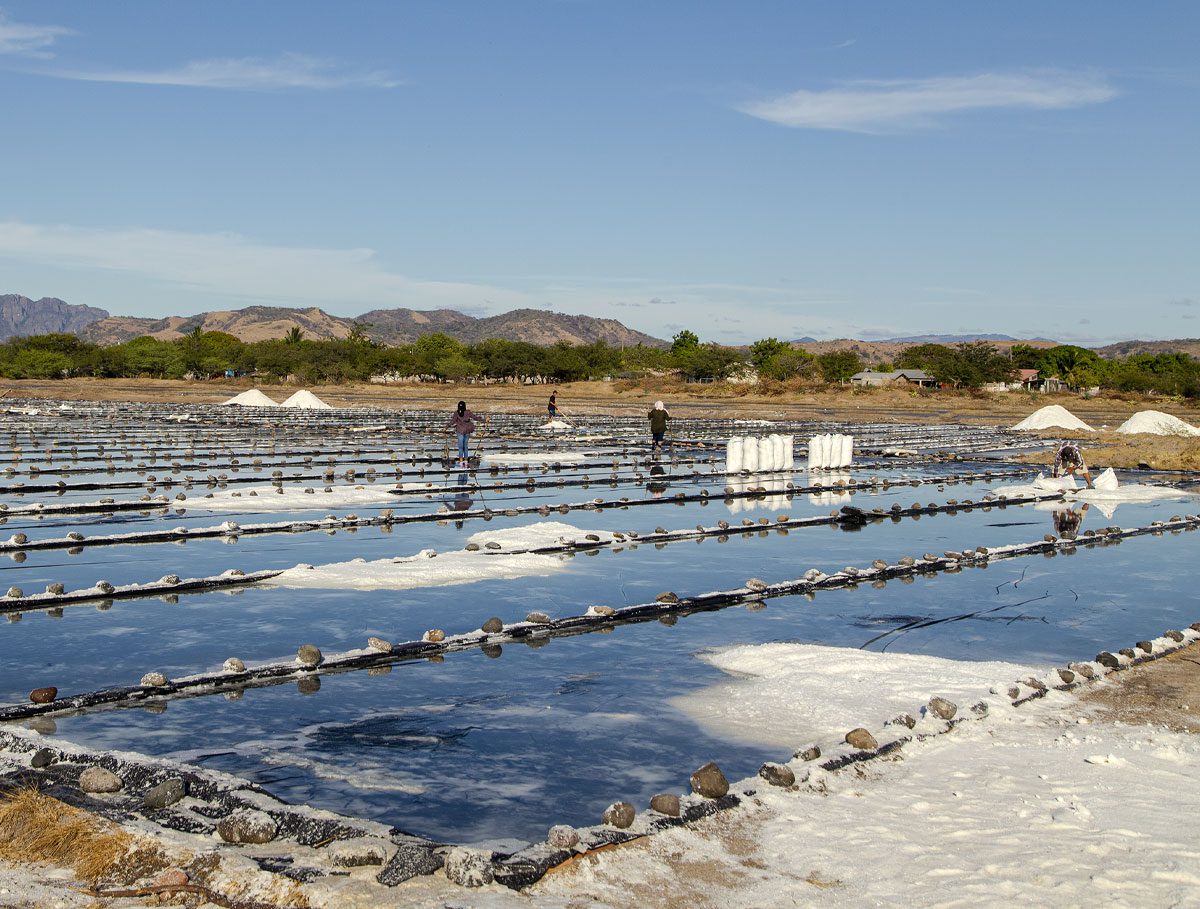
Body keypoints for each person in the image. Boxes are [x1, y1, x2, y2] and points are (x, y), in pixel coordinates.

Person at [447, 401, 478, 467]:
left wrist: (447, 426)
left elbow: (453, 421)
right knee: (464, 446)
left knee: (461, 446)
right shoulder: (467, 412)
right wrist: (484, 420)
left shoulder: (458, 413)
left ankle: (462, 461)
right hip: (466, 430)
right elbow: (475, 418)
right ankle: (465, 461)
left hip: (461, 431)